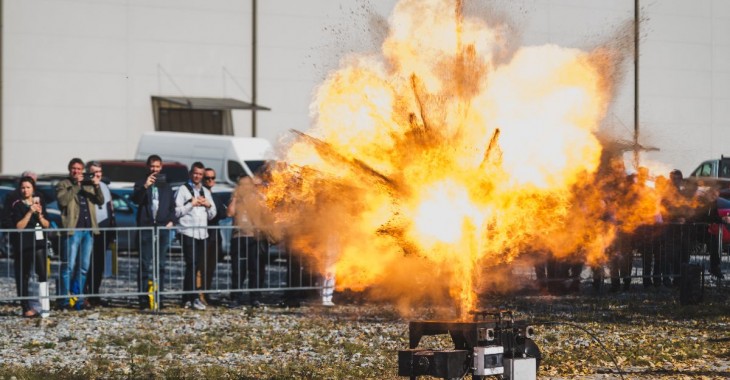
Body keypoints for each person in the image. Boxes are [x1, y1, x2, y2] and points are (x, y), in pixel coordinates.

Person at [55, 157, 104, 310]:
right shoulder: (64, 184)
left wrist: (96, 186)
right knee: (68, 266)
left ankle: (77, 298)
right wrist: (76, 185)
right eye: (73, 169)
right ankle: (63, 300)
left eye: (79, 169)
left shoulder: (89, 184)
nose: (76, 171)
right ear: (69, 170)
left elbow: (100, 201)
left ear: (83, 170)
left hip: (88, 230)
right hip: (72, 230)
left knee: (83, 267)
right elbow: (63, 201)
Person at [132, 154, 177, 310]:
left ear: (161, 167)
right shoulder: (140, 183)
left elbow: (172, 207)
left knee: (161, 265)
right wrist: (145, 186)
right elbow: (136, 200)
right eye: (152, 166)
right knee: (144, 264)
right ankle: (143, 300)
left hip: (163, 228)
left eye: (157, 166)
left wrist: (171, 221)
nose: (155, 169)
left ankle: (160, 298)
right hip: (146, 228)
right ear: (147, 167)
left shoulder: (167, 186)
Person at [175, 161, 216, 310]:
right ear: (190, 173)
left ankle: (187, 298)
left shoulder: (206, 191)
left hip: (202, 233)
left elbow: (213, 214)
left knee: (196, 266)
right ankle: (192, 298)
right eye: (195, 173)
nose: (197, 176)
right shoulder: (182, 190)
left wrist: (208, 205)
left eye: (200, 174)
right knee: (191, 264)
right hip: (187, 231)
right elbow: (176, 212)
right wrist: (190, 204)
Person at [9, 176, 51, 317]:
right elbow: (19, 226)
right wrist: (29, 212)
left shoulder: (39, 201)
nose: (25, 190)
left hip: (39, 243)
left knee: (42, 273)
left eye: (28, 187)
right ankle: (25, 307)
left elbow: (46, 224)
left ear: (33, 189)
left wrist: (39, 214)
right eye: (23, 187)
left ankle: (44, 307)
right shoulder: (17, 205)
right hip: (23, 244)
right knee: (24, 276)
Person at [227, 175, 269, 308]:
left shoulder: (257, 198)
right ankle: (235, 297)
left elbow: (266, 213)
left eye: (247, 185)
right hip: (238, 237)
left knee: (255, 269)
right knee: (238, 269)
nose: (245, 187)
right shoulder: (235, 199)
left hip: (254, 237)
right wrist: (234, 198)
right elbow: (229, 214)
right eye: (242, 184)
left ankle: (255, 297)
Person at [84, 161, 116, 307]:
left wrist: (112, 228)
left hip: (103, 227)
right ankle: (82, 294)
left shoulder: (104, 186)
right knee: (86, 263)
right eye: (94, 172)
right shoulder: (84, 185)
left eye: (99, 172)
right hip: (89, 227)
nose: (97, 175)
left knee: (98, 264)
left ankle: (95, 294)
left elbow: (109, 208)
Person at [199, 167, 227, 306]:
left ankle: (206, 293)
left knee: (210, 268)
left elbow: (223, 214)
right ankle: (198, 295)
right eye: (207, 178)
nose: (210, 181)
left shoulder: (216, 197)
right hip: (202, 236)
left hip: (214, 237)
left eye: (212, 178)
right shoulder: (200, 195)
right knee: (200, 268)